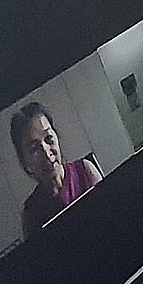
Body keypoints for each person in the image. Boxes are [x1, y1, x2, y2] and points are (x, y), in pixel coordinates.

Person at [12, 102, 102, 239]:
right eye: (34, 148)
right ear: (25, 160)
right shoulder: (31, 215)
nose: (46, 152)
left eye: (49, 139)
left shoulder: (85, 170)